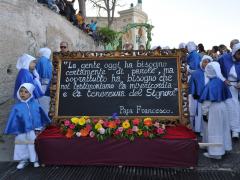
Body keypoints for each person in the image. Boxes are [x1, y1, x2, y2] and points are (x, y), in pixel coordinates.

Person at [4, 83, 51, 169]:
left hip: (32, 130)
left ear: (30, 93)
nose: (23, 93)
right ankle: (23, 160)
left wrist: (38, 128)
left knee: (33, 144)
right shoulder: (17, 107)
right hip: (21, 130)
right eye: (21, 91)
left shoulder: (35, 105)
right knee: (21, 145)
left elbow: (39, 117)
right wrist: (15, 129)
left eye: (26, 92)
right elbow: (13, 120)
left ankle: (35, 160)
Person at [199, 62, 232, 159]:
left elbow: (207, 102)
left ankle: (215, 153)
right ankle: (225, 147)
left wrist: (204, 113)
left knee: (214, 130)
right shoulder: (221, 82)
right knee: (223, 128)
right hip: (223, 107)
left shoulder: (211, 84)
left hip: (214, 109)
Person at [218, 42, 240, 138]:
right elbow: (216, 71)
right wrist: (224, 80)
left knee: (236, 108)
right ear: (234, 52)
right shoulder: (223, 59)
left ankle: (235, 129)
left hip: (237, 87)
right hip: (227, 87)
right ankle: (230, 129)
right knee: (229, 108)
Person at [188, 55, 213, 139]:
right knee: (196, 114)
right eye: (204, 62)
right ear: (201, 62)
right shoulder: (195, 73)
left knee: (205, 114)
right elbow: (192, 84)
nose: (206, 64)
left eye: (208, 62)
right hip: (197, 97)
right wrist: (194, 93)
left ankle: (203, 130)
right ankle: (195, 129)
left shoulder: (211, 73)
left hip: (207, 97)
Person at [36, 47, 52, 115]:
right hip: (46, 84)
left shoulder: (41, 60)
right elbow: (45, 73)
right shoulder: (46, 61)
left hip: (42, 84)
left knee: (43, 102)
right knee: (46, 102)